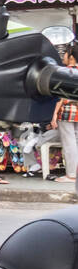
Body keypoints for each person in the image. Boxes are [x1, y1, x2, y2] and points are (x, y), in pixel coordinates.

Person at [50, 44, 78, 183]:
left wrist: (54, 114)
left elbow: (61, 96)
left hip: (68, 112)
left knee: (69, 143)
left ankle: (72, 175)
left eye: (65, 54)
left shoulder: (66, 72)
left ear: (71, 57)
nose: (63, 57)